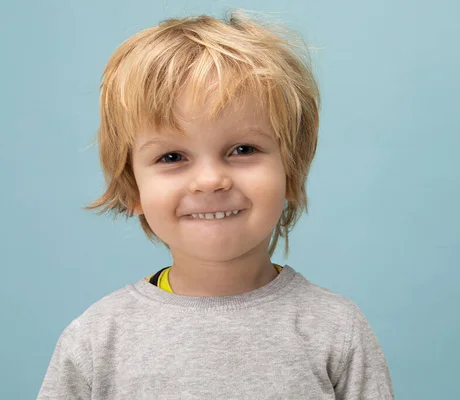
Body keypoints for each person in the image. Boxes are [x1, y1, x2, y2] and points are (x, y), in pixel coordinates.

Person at [37, 11, 394, 399]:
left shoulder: (336, 331)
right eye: (172, 157)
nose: (210, 180)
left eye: (243, 149)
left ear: (290, 172)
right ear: (132, 189)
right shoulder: (95, 342)